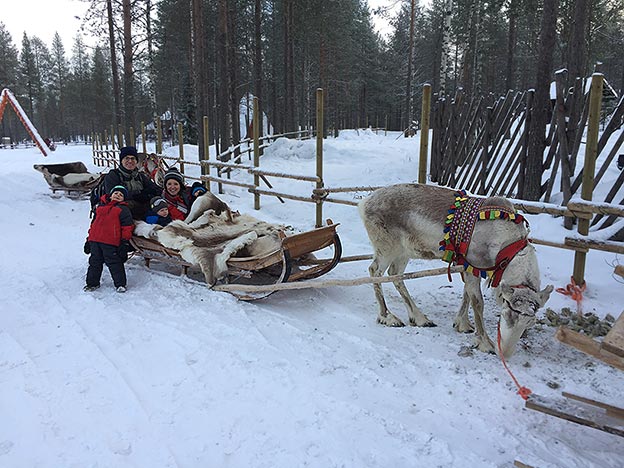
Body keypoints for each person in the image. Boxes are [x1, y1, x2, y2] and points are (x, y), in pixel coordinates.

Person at [84, 185, 135, 293]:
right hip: (95, 240)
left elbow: (127, 227)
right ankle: (92, 283)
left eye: (121, 195)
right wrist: (88, 240)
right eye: (116, 193)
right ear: (110, 195)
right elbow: (93, 224)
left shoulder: (123, 209)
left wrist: (124, 242)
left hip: (111, 242)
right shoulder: (99, 207)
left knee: (115, 263)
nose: (118, 195)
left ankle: (120, 284)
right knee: (94, 262)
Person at [104, 146, 162, 219]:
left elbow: (155, 188)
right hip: (123, 213)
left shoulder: (140, 176)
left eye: (133, 158)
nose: (130, 161)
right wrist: (139, 194)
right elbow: (112, 195)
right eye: (127, 158)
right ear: (121, 161)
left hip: (141, 210)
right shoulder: (113, 176)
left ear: (136, 161)